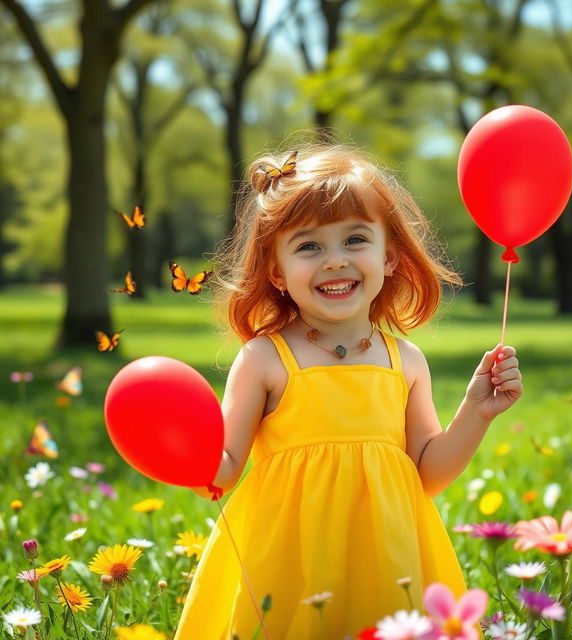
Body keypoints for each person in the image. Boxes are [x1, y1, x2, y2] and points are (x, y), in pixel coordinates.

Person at [174, 141, 523, 640]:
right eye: (309, 246)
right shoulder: (265, 359)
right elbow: (223, 469)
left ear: (389, 257)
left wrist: (476, 412)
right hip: (293, 559)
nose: (334, 261)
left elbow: (428, 473)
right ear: (276, 271)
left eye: (355, 240)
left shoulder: (406, 361)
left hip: (385, 556)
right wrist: (178, 448)